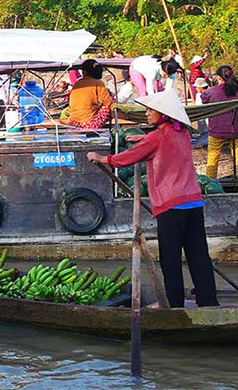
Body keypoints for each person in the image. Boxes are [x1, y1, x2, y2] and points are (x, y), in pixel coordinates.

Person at [87, 90, 218, 308]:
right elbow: (160, 141)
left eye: (151, 110)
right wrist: (144, 138)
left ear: (164, 114)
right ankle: (209, 303)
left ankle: (173, 304)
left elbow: (129, 157)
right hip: (193, 203)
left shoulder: (158, 137)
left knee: (170, 258)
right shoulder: (182, 132)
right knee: (199, 256)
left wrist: (102, 158)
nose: (147, 114)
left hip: (171, 206)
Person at [201, 65, 238, 179]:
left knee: (212, 159)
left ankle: (211, 182)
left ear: (218, 77)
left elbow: (204, 102)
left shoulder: (210, 92)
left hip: (217, 131)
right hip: (237, 131)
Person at [62, 59, 114, 129]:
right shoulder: (98, 83)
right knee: (110, 105)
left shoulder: (78, 82)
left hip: (74, 121)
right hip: (88, 123)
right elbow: (108, 102)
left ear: (84, 72)